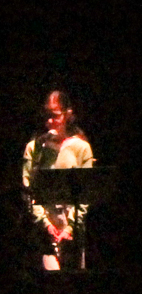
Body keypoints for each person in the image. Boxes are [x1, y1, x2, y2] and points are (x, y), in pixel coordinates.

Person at [21, 89, 94, 271]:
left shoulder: (81, 148)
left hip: (72, 226)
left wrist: (70, 228)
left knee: (74, 279)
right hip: (44, 229)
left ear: (67, 115)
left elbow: (86, 193)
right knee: (50, 278)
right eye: (46, 116)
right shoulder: (34, 148)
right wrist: (45, 224)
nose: (49, 121)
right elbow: (28, 189)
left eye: (55, 116)